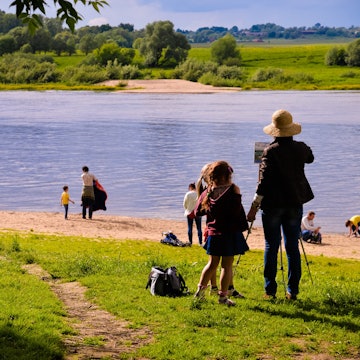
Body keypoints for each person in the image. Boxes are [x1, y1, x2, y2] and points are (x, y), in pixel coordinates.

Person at [247, 109, 315, 301]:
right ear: (292, 130)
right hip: (294, 202)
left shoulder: (269, 151)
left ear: (274, 130)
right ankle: (292, 291)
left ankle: (270, 290)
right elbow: (310, 158)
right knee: (292, 246)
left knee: (271, 244)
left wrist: (253, 207)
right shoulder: (300, 148)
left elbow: (263, 183)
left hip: (272, 204)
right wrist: (299, 148)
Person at [194, 161, 249, 306]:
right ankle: (223, 298)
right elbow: (236, 212)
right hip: (229, 234)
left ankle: (199, 293)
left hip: (213, 234)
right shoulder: (233, 189)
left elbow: (197, 211)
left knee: (212, 264)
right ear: (228, 175)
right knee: (226, 266)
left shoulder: (208, 191)